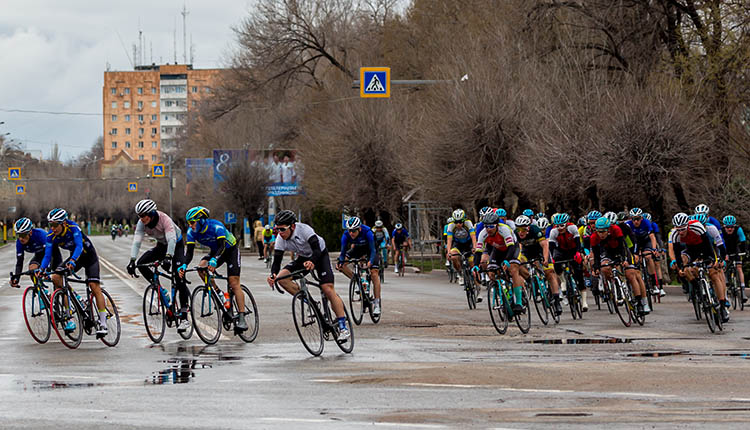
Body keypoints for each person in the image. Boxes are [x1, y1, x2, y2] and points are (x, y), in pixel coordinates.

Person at [266, 210, 350, 341]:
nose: (280, 233)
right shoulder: (280, 239)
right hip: (303, 257)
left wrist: (312, 261)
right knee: (281, 278)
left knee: (327, 288)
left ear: (292, 226)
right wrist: (273, 275)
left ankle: (343, 327)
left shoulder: (304, 230)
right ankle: (310, 302)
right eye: (277, 230)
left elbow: (316, 249)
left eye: (282, 229)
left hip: (319, 255)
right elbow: (276, 262)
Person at [177, 206, 248, 332]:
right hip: (216, 251)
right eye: (189, 223)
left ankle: (242, 318)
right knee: (201, 267)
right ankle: (220, 294)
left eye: (192, 222)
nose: (190, 225)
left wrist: (215, 260)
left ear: (201, 220)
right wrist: (184, 265)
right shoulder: (191, 232)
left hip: (230, 250)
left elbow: (222, 246)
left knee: (233, 283)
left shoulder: (216, 226)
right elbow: (189, 253)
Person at [40, 208, 109, 336]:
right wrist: (42, 269)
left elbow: (79, 246)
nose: (53, 228)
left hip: (88, 257)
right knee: (56, 277)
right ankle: (75, 300)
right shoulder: (50, 236)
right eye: (51, 225)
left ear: (64, 223)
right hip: (75, 258)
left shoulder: (73, 228)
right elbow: (47, 256)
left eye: (55, 225)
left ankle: (103, 323)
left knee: (94, 286)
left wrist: (72, 260)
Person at [126, 199, 190, 333]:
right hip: (161, 246)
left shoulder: (164, 219)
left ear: (152, 213)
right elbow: (137, 242)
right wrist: (132, 260)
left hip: (176, 245)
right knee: (141, 264)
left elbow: (172, 240)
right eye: (139, 216)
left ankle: (184, 317)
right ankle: (160, 289)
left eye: (143, 215)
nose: (141, 219)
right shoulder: (141, 223)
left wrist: (168, 257)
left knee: (179, 275)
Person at [669, 212, 729, 323]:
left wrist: (712, 260)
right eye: (678, 229)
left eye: (683, 229)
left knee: (713, 274)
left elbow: (708, 244)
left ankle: (722, 305)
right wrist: (681, 267)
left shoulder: (697, 226)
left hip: (705, 247)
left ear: (687, 225)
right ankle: (697, 287)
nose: (681, 232)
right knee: (683, 262)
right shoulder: (674, 234)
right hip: (691, 249)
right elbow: (677, 252)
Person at [591, 216, 650, 314]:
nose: (601, 234)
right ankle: (616, 286)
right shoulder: (594, 237)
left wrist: (624, 260)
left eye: (603, 231)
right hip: (608, 252)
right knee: (604, 268)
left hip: (621, 249)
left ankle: (641, 302)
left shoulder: (616, 229)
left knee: (631, 274)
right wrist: (596, 267)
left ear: (608, 229)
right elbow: (597, 255)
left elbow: (623, 246)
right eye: (599, 231)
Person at [476, 211, 524, 314]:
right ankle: (503, 295)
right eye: (486, 226)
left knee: (513, 269)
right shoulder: (483, 234)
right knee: (492, 272)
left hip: (512, 249)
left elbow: (511, 247)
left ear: (497, 225)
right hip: (497, 250)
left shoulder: (504, 229)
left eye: (491, 226)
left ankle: (519, 302)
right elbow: (478, 252)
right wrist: (475, 266)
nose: (489, 229)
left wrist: (506, 260)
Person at [514, 215, 561, 315]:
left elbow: (545, 245)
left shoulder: (535, 230)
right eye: (518, 229)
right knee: (517, 265)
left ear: (528, 228)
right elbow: (517, 249)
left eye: (523, 229)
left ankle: (556, 300)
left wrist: (545, 258)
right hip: (526, 253)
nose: (520, 232)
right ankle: (530, 280)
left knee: (550, 272)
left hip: (540, 251)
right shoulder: (515, 234)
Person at [336, 217, 382, 316]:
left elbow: (373, 250)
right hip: (358, 249)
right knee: (341, 266)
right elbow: (343, 252)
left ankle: (377, 303)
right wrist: (340, 261)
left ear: (359, 229)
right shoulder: (346, 235)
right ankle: (357, 280)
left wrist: (370, 261)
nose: (351, 233)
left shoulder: (368, 232)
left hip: (371, 250)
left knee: (374, 273)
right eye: (349, 231)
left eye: (353, 231)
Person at [548, 213, 587, 310]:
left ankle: (584, 302)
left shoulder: (572, 228)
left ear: (566, 224)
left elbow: (578, 242)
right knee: (556, 263)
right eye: (557, 226)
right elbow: (551, 248)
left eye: (562, 225)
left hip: (573, 249)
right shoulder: (554, 232)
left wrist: (578, 253)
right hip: (561, 250)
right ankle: (563, 281)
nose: (560, 228)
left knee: (578, 274)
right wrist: (551, 258)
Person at [10, 218, 56, 288]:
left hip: (52, 254)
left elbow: (48, 255)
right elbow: (19, 262)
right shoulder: (19, 243)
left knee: (57, 279)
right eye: (19, 235)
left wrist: (46, 269)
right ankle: (44, 293)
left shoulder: (40, 235)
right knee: (32, 270)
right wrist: (16, 278)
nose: (21, 239)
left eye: (23, 235)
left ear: (30, 233)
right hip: (39, 254)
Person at [445, 209, 478, 287]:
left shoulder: (468, 223)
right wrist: (448, 252)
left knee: (472, 263)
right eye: (456, 222)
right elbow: (449, 240)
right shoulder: (451, 226)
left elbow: (473, 237)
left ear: (464, 221)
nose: (458, 224)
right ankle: (460, 274)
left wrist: (474, 247)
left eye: (460, 222)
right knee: (454, 256)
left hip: (468, 243)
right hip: (457, 243)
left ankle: (476, 285)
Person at [721, 215, 747, 302]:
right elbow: (718, 244)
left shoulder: (738, 229)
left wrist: (744, 252)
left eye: (731, 227)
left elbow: (743, 240)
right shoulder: (721, 231)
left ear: (734, 226)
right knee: (723, 267)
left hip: (735, 249)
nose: (729, 229)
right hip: (725, 249)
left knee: (739, 267)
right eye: (727, 227)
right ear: (724, 226)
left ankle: (742, 291)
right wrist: (723, 255)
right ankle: (726, 281)